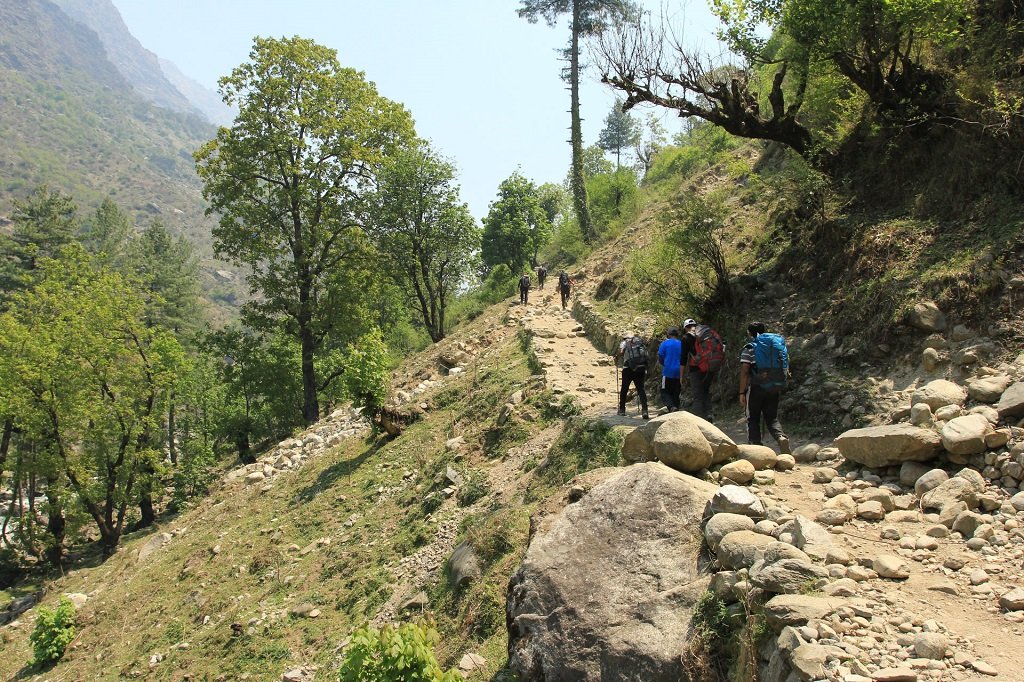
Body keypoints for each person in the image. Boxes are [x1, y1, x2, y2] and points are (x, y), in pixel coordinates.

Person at [739, 321, 790, 454]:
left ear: (750, 333)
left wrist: (742, 392)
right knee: (772, 418)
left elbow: (745, 372)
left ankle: (756, 448)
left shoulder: (750, 348)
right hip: (774, 386)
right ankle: (780, 437)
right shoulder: (774, 345)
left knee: (753, 417)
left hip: (757, 387)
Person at [682, 318, 720, 423]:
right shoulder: (706, 333)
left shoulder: (686, 338)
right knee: (706, 391)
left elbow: (683, 359)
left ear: (685, 328)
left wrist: (681, 376)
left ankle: (699, 421)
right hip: (711, 366)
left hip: (696, 368)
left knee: (697, 394)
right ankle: (709, 414)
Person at [615, 334, 650, 419]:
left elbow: (621, 352)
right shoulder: (639, 342)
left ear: (625, 338)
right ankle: (645, 410)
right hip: (640, 368)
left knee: (624, 388)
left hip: (628, 368)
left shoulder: (624, 342)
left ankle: (622, 410)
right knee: (641, 389)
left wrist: (616, 357)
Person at [657, 327, 682, 412]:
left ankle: (671, 407)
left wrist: (664, 364)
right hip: (679, 371)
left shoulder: (665, 343)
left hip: (667, 371)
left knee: (665, 391)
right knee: (676, 391)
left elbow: (660, 356)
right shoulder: (681, 343)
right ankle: (676, 407)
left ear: (668, 334)